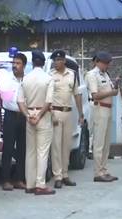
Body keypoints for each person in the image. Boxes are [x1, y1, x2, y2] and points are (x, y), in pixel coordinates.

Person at [18, 50, 55, 195]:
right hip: (43, 115)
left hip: (30, 115)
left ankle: (30, 184)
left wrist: (28, 115)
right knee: (42, 152)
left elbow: (20, 101)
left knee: (31, 152)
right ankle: (40, 184)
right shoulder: (48, 78)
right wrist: (39, 115)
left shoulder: (25, 79)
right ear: (43, 62)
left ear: (32, 63)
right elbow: (49, 101)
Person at [49, 50, 84, 189]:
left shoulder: (72, 75)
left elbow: (77, 95)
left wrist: (81, 114)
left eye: (58, 60)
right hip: (56, 112)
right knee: (56, 146)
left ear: (63, 61)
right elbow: (48, 97)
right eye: (54, 61)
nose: (56, 63)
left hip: (68, 112)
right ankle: (57, 176)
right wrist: (51, 114)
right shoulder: (50, 76)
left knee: (66, 146)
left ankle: (65, 174)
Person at [85, 51, 119, 182]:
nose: (107, 66)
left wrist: (114, 87)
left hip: (108, 110)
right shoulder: (92, 75)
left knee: (106, 143)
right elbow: (95, 95)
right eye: (106, 63)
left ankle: (104, 170)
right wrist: (111, 91)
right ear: (98, 62)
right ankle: (98, 173)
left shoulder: (105, 74)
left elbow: (109, 91)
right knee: (99, 143)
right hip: (99, 109)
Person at [1, 52, 27, 191]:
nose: (15, 66)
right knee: (8, 148)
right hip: (10, 115)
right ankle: (6, 179)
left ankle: (19, 178)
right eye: (13, 63)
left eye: (18, 63)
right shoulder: (7, 79)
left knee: (22, 148)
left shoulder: (27, 80)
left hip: (23, 116)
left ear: (24, 65)